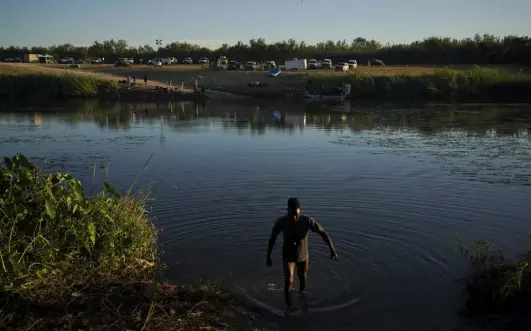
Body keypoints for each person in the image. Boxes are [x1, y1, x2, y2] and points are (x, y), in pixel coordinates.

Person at [266, 197, 339, 314]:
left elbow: (323, 233)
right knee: (289, 279)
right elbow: (272, 238)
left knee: (302, 277)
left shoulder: (307, 221)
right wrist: (268, 255)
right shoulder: (281, 222)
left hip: (303, 256)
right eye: (292, 214)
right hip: (288, 256)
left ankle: (301, 294)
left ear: (300, 211)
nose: (295, 217)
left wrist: (332, 249)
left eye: (297, 214)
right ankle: (289, 306)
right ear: (287, 210)